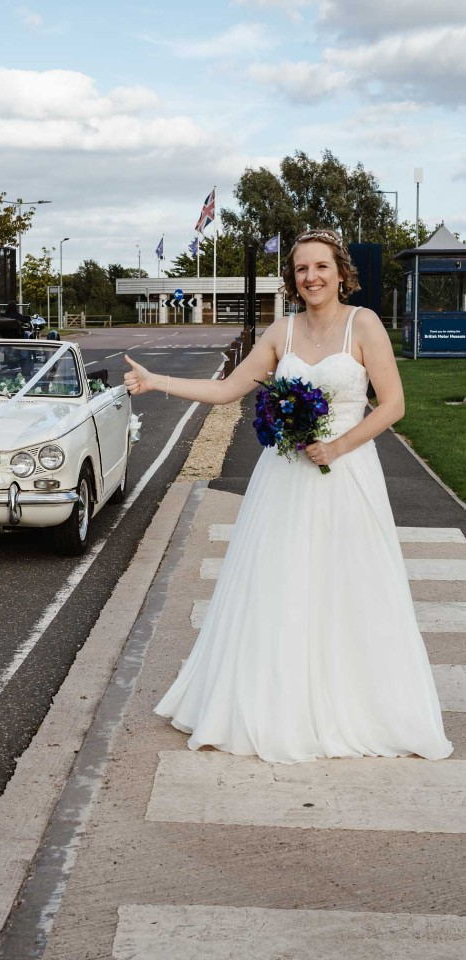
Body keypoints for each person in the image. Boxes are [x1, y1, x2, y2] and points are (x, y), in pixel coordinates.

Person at [124, 228, 452, 764]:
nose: (311, 277)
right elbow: (230, 391)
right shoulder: (282, 331)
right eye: (301, 269)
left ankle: (359, 706)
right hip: (283, 481)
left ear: (341, 273)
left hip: (348, 476)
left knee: (351, 585)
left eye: (321, 267)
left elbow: (392, 405)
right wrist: (157, 380)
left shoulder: (363, 324)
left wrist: (338, 446)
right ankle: (278, 706)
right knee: (281, 584)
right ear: (292, 279)